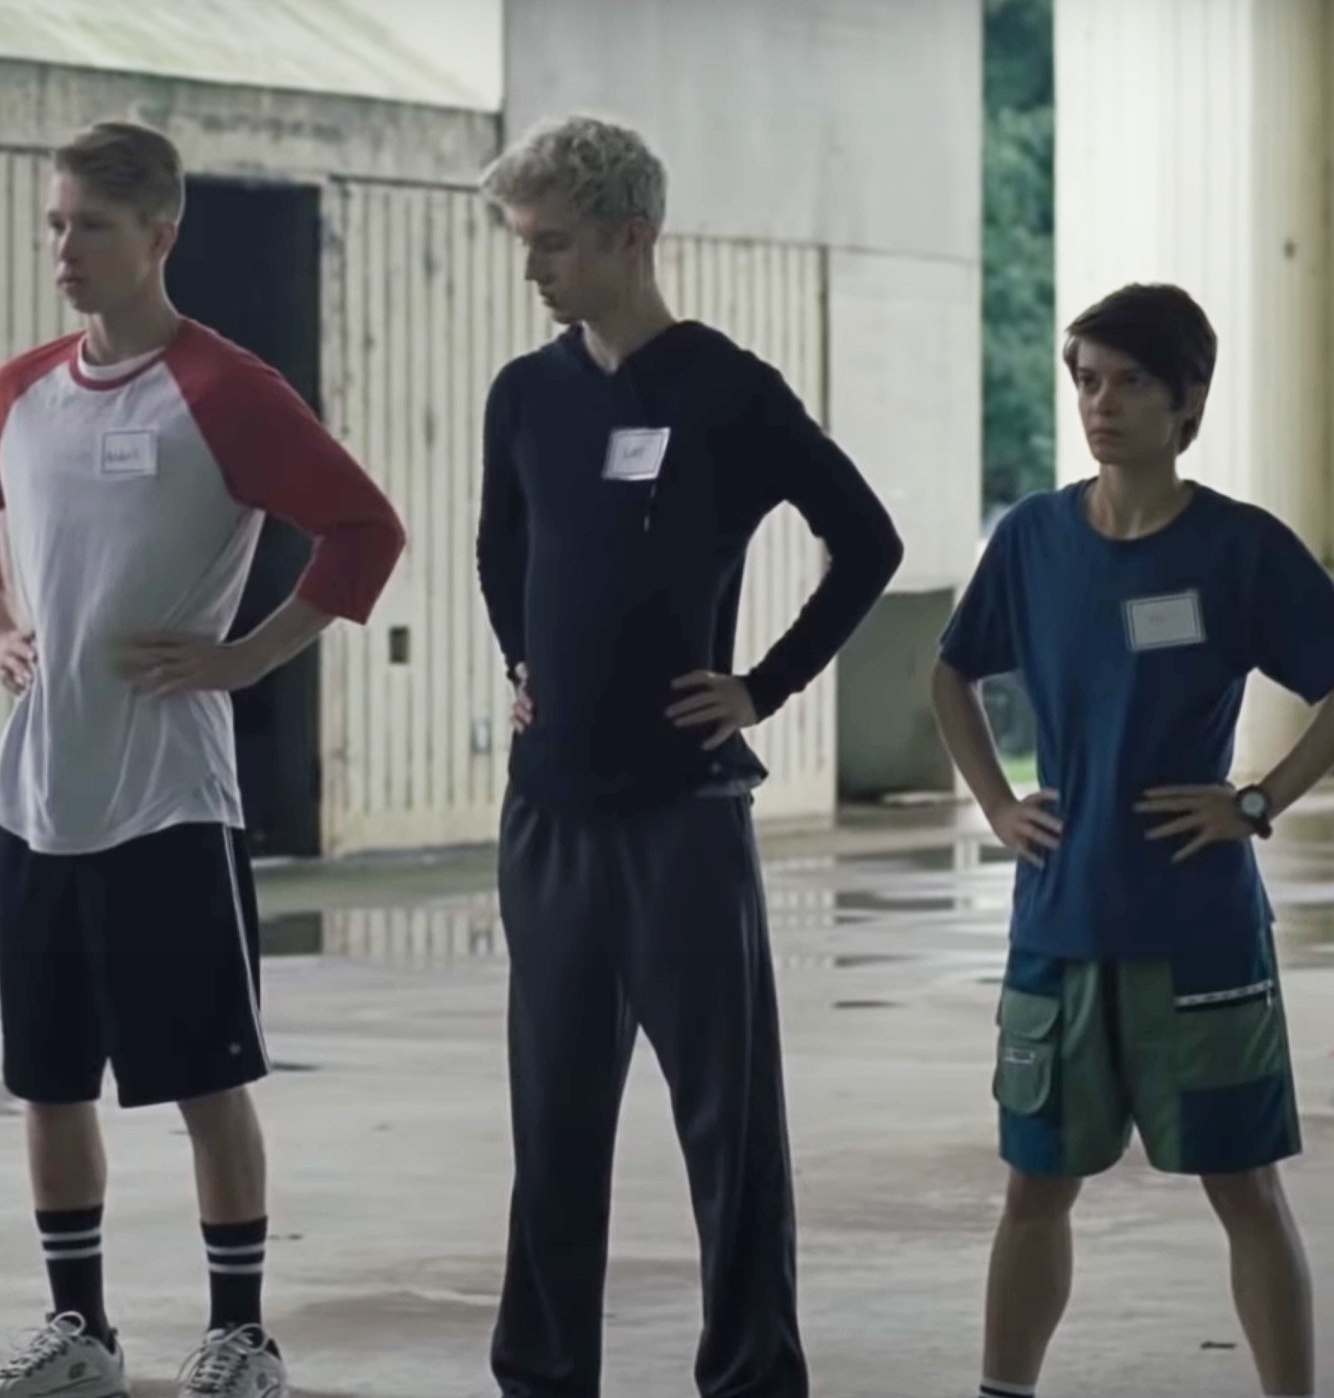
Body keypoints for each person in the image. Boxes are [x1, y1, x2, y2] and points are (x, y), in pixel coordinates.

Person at [0, 121, 405, 1398]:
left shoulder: (227, 390)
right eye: (53, 222)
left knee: (204, 1080)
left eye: (89, 224)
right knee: (48, 1083)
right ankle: (76, 1330)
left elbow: (365, 529)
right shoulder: (19, 391)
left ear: (160, 237)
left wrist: (251, 658)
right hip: (37, 791)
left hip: (170, 799)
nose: (63, 248)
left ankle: (239, 1334)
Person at [473, 114, 904, 1398]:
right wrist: (521, 664)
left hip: (681, 815)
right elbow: (503, 548)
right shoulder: (528, 394)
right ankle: (544, 1373)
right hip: (548, 816)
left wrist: (762, 687)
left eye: (553, 244)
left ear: (631, 237)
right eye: (523, 244)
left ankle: (754, 1373)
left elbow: (866, 543)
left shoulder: (726, 390)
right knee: (553, 1122)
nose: (533, 269)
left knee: (727, 1122)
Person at [932, 284, 1334, 1398]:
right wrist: (1000, 805)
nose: (1103, 402)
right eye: (1087, 379)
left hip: (1200, 929)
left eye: (1131, 381)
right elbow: (951, 672)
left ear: (1188, 401)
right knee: (1034, 1190)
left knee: (1243, 1188)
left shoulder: (1237, 548)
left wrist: (1255, 800)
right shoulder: (1035, 540)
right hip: (1060, 922)